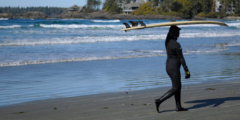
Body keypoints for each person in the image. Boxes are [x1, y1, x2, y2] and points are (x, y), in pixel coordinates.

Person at [155, 26, 191, 113]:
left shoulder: (167, 42)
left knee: (178, 86)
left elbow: (168, 35)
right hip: (174, 68)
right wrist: (187, 70)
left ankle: (178, 106)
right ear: (175, 33)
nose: (179, 33)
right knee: (175, 88)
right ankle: (159, 101)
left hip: (168, 67)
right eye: (178, 32)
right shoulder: (177, 45)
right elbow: (181, 58)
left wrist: (172, 27)